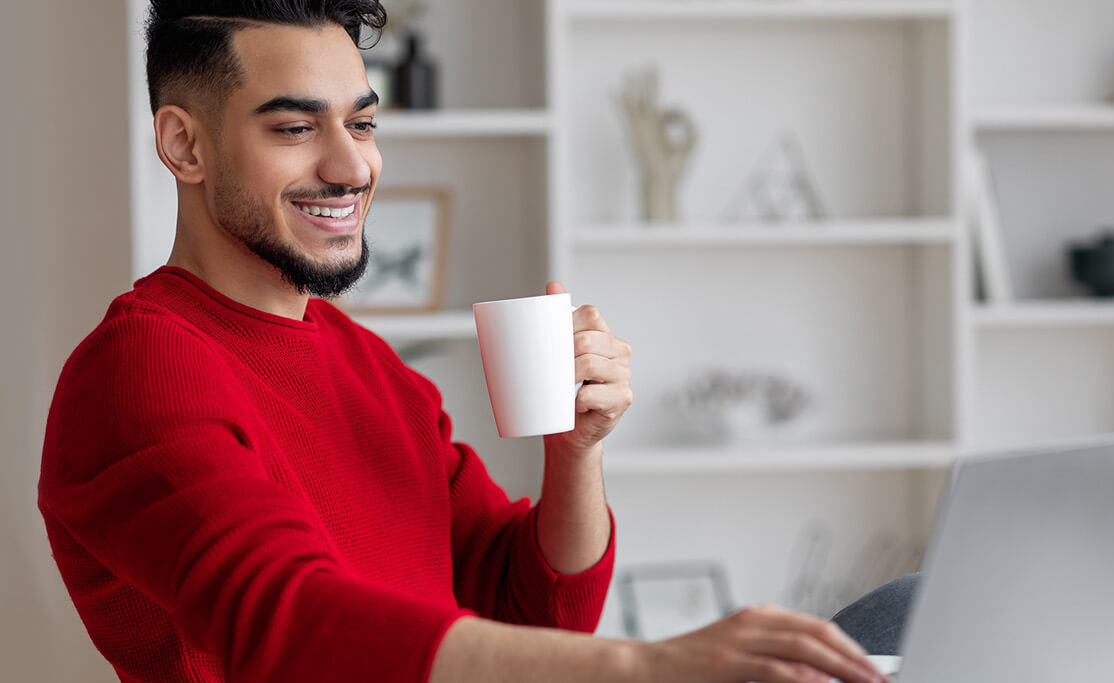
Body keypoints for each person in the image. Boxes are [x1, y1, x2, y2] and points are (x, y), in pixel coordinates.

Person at [36, 2, 891, 682]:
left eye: (362, 125)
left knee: (899, 619)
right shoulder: (140, 368)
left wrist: (575, 451)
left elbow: (528, 612)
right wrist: (649, 662)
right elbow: (288, 622)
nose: (351, 167)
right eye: (295, 129)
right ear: (184, 143)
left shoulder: (370, 366)